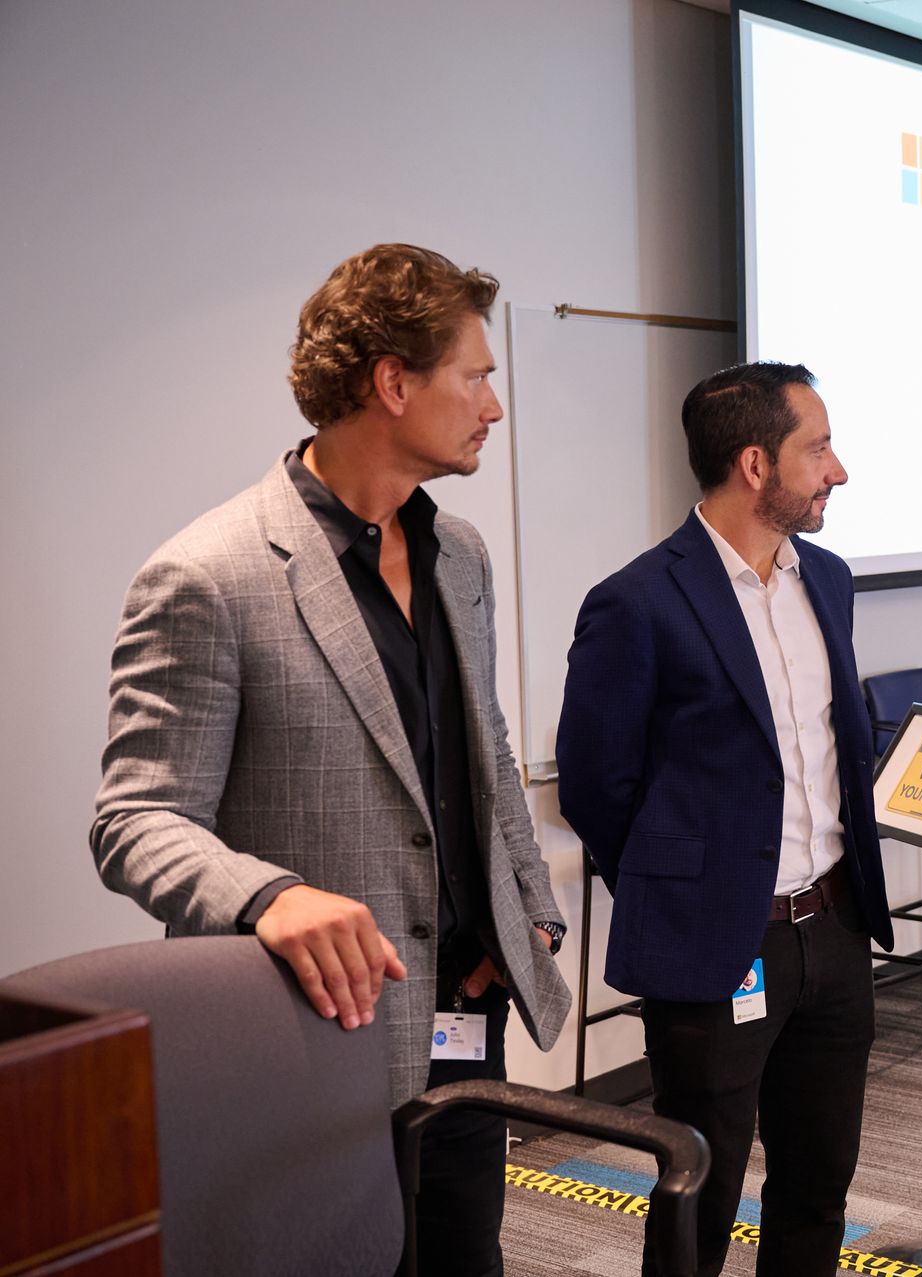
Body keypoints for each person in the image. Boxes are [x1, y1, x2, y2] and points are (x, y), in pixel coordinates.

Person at [90, 243, 572, 1276]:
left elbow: (479, 741)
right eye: (477, 376)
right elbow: (134, 820)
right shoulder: (207, 576)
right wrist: (269, 895)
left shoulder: (463, 554)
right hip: (315, 1043)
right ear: (393, 383)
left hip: (463, 1018)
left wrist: (526, 905)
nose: (495, 405)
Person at [556, 361, 893, 1277]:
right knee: (697, 1203)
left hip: (834, 929)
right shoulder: (637, 602)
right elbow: (594, 784)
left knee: (818, 1190)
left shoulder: (826, 578)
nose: (838, 469)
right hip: (717, 949)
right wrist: (688, 894)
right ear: (755, 463)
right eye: (817, 447)